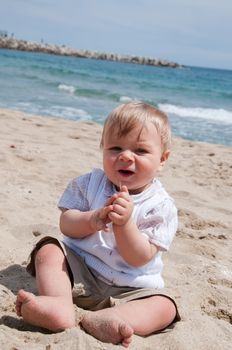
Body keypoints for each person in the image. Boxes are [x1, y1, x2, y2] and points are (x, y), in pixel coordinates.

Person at [16, 101, 180, 348]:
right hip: (80, 270)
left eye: (140, 151)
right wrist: (91, 220)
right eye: (115, 148)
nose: (125, 156)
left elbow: (140, 257)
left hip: (131, 289)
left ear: (162, 159)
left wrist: (124, 225)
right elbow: (66, 225)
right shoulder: (90, 184)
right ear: (102, 148)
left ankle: (110, 319)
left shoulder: (161, 206)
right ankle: (59, 303)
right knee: (48, 250)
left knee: (166, 307)